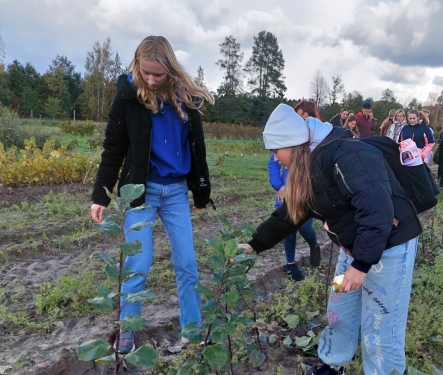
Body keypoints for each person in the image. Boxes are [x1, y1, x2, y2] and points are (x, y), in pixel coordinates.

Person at [240, 104, 422, 375]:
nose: (276, 159)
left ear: (292, 145)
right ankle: (332, 364)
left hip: (389, 245)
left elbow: (376, 209)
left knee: (381, 321)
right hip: (354, 248)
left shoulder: (348, 155)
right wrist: (254, 245)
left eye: (275, 152)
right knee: (339, 306)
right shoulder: (309, 168)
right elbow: (289, 214)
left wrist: (361, 265)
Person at [90, 35, 214, 354]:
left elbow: (197, 148)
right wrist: (100, 197)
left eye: (158, 74)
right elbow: (113, 149)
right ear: (138, 65)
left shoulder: (185, 98)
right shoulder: (128, 98)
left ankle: (192, 329)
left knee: (187, 263)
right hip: (139, 193)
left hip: (174, 193)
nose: (151, 79)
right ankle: (128, 329)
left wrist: (201, 194)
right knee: (138, 264)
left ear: (170, 70)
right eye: (146, 72)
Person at [268, 153, 320, 281]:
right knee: (288, 230)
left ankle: (314, 246)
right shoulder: (282, 143)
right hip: (285, 195)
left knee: (305, 228)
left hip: (305, 195)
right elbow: (273, 164)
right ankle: (290, 265)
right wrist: (279, 186)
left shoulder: (308, 144)